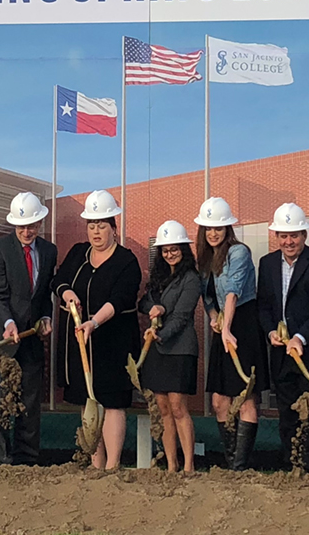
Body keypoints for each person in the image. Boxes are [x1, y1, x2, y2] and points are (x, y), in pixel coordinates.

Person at [54, 189, 142, 471]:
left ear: (113, 227)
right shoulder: (78, 253)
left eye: (102, 225)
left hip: (113, 343)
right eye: (91, 225)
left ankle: (113, 465)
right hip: (81, 344)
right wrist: (67, 294)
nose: (96, 231)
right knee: (87, 399)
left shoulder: (126, 261)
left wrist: (94, 322)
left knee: (112, 402)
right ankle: (95, 462)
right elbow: (59, 280)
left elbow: (121, 299)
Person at [0, 191, 56, 466]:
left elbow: (44, 294)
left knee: (30, 403)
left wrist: (46, 316)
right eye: (22, 226)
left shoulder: (48, 251)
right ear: (14, 225)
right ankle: (3, 459)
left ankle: (28, 459)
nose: (27, 231)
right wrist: (8, 323)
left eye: (32, 225)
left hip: (31, 339)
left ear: (40, 223)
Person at [257, 202, 309, 472]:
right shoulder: (266, 264)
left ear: (304, 234)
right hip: (281, 355)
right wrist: (271, 332)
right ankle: (290, 465)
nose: (288, 241)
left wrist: (300, 337)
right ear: (276, 236)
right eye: (283, 235)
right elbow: (264, 306)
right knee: (287, 413)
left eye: (294, 235)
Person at [196, 196, 266, 471]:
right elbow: (209, 298)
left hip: (243, 327)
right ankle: (229, 461)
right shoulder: (204, 258)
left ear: (228, 229)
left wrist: (227, 328)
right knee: (218, 400)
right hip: (223, 327)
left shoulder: (239, 252)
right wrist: (215, 319)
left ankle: (240, 467)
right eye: (209, 228)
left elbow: (233, 291)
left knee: (246, 396)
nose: (213, 233)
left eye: (219, 228)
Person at [137, 220, 202, 473]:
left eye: (174, 249)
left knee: (178, 407)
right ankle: (171, 466)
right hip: (156, 350)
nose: (170, 254)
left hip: (180, 349)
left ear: (184, 250)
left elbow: (182, 316)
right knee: (163, 408)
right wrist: (153, 308)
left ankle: (188, 466)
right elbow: (145, 301)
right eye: (165, 250)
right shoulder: (158, 277)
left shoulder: (191, 278)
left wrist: (159, 333)